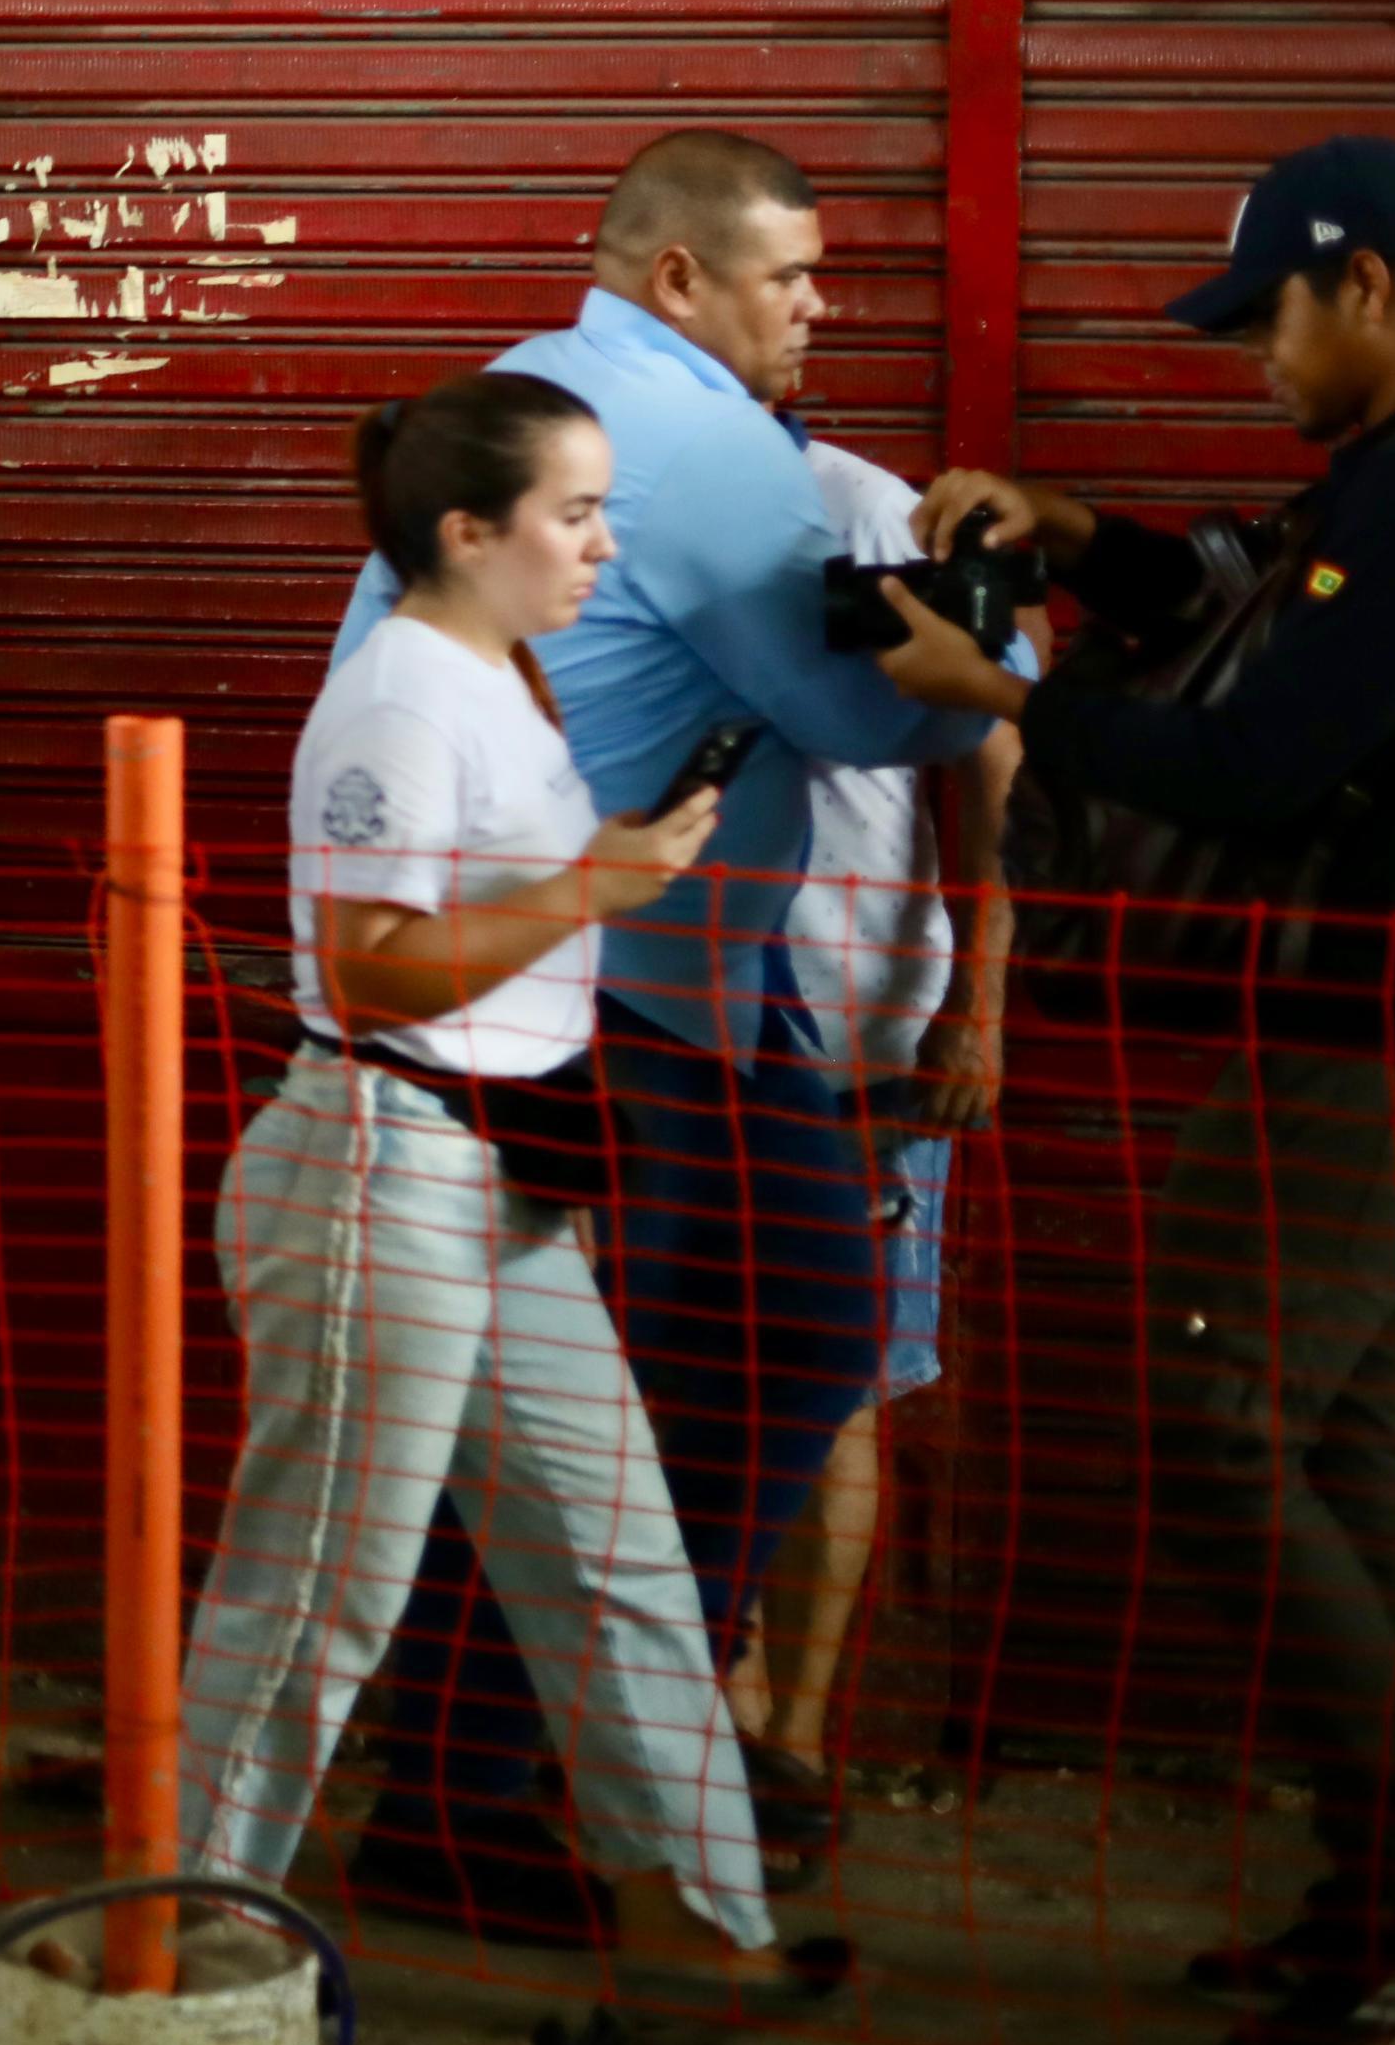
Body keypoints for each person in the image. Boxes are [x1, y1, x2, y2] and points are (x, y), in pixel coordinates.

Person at [334, 130, 996, 1940]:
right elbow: (878, 719)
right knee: (625, 1393)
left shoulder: (570, 406)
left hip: (688, 977)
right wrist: (997, 644)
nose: (819, 306)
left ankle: (567, 1752)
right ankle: (484, 1790)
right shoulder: (671, 433)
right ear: (681, 276)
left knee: (770, 1341)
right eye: (791, 274)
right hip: (592, 995)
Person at [867, 136, 1395, 2045]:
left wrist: (1008, 686)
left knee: (1220, 1415)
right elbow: (1256, 592)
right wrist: (1069, 531)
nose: (1252, 361)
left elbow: (1260, 750)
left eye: (1265, 320)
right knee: (1332, 1437)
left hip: (1378, 1048)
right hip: (1384, 1044)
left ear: (1361, 283)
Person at [181, 371, 796, 1991]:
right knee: (321, 1575)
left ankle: (699, 1923)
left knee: (620, 1558)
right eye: (574, 512)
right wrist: (603, 878)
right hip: (382, 1172)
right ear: (469, 529)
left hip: (496, 1181)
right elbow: (370, 970)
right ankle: (193, 1916)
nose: (604, 542)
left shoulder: (499, 671)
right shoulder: (397, 698)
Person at [729, 430, 1020, 1884]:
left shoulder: (868, 511)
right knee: (668, 1383)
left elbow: (1001, 739)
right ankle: (702, 1739)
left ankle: (788, 1740)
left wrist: (980, 993)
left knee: (835, 1387)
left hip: (857, 1045)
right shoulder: (602, 505)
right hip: (672, 1034)